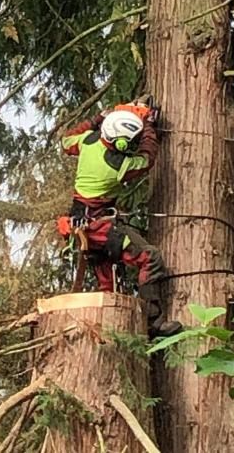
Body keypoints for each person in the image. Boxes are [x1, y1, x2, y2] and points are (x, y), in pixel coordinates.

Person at [59, 102, 182, 337]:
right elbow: (146, 159)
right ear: (121, 142)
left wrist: (98, 118)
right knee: (149, 257)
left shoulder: (88, 140)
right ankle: (154, 323)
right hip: (99, 228)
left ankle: (114, 334)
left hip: (84, 224)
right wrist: (148, 127)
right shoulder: (116, 164)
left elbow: (66, 141)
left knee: (109, 287)